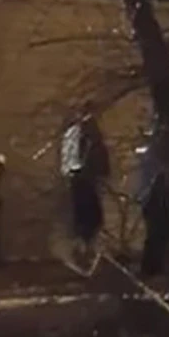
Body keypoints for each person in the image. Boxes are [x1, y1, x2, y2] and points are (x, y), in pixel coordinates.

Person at [59, 105, 110, 254]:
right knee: (87, 212)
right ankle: (85, 245)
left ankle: (86, 244)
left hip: (83, 176)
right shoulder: (83, 132)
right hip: (83, 176)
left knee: (87, 213)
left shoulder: (82, 132)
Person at [133, 127, 169, 278]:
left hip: (153, 203)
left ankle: (154, 267)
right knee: (156, 236)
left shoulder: (152, 161)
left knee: (156, 237)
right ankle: (152, 268)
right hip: (154, 203)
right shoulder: (154, 163)